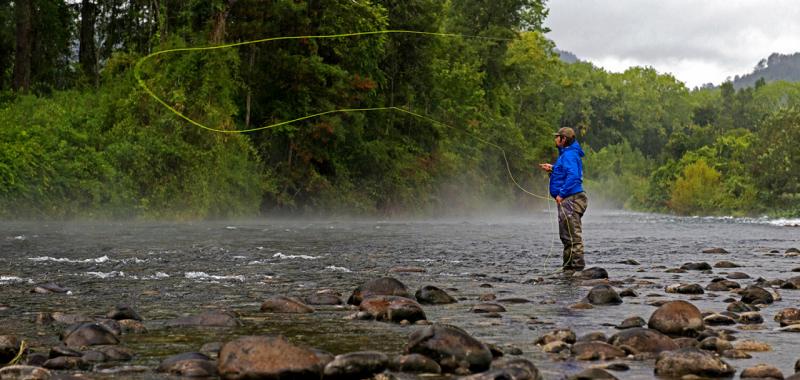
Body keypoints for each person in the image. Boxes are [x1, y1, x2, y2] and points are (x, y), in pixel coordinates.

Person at [538, 127, 588, 271]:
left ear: (563, 139)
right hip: (569, 199)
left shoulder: (569, 155)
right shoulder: (566, 154)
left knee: (573, 238)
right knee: (567, 237)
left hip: (571, 199)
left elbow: (573, 176)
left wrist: (561, 194)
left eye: (557, 137)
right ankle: (568, 269)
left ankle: (577, 270)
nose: (555, 139)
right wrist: (553, 169)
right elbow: (565, 172)